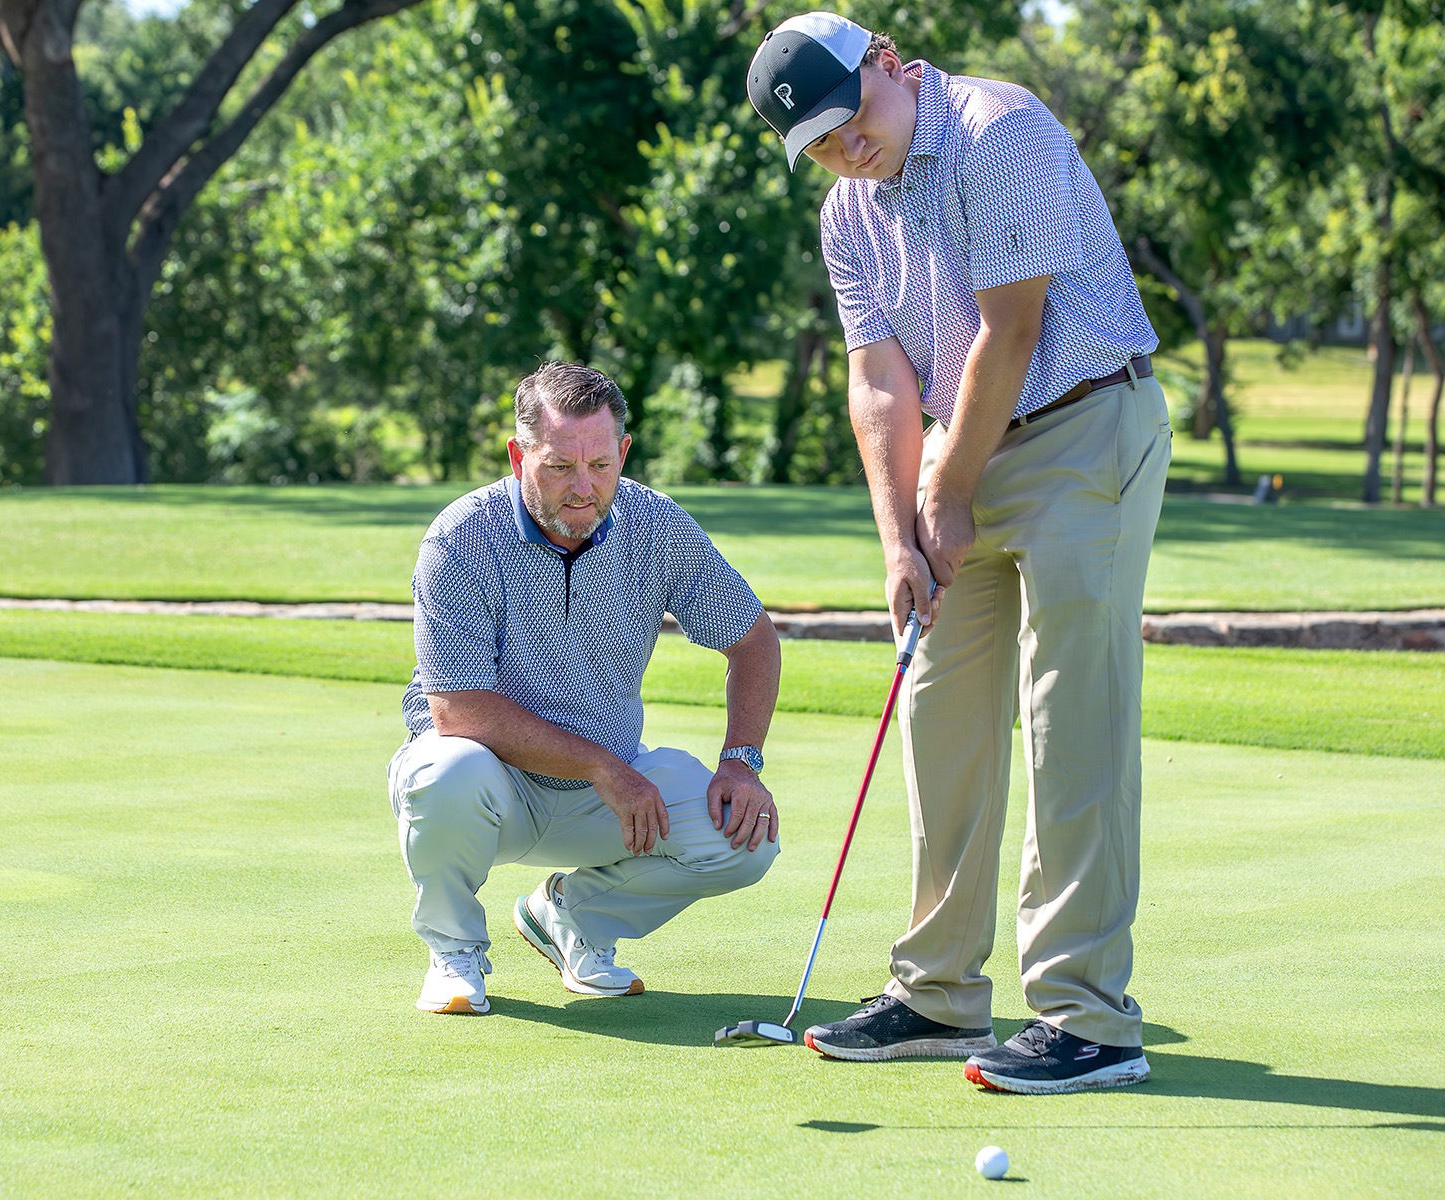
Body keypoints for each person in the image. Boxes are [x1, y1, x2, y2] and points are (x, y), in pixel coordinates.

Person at [745, 12, 1171, 1093]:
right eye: (820, 145)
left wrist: (946, 490)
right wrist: (901, 534)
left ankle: (1087, 1016)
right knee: (939, 719)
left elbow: (1010, 329)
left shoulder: (999, 131)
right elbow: (878, 380)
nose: (848, 149)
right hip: (963, 448)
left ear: (888, 62)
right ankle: (938, 993)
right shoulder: (849, 212)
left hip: (1084, 426)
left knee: (1070, 723)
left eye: (852, 119)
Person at [387, 361, 784, 1016]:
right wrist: (602, 766)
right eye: (559, 467)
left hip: (605, 800)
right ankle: (454, 951)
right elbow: (457, 708)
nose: (583, 488)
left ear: (623, 452)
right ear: (518, 456)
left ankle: (573, 919)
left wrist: (741, 762)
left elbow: (753, 639)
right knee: (445, 770)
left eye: (600, 466)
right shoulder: (461, 537)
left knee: (746, 840)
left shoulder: (655, 525)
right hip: (492, 790)